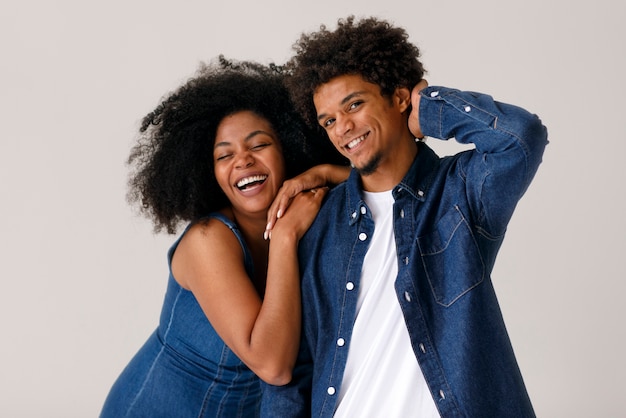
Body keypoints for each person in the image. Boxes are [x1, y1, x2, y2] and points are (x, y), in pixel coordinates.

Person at [261, 16, 548, 417]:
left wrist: (428, 110)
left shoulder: (459, 193)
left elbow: (521, 139)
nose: (342, 128)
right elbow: (298, 366)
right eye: (329, 121)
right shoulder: (318, 224)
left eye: (354, 105)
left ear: (398, 98)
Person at [100, 56, 348, 418]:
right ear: (210, 173)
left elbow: (381, 185)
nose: (243, 160)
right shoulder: (208, 240)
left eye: (259, 145)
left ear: (288, 149)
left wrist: (325, 171)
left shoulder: (307, 211)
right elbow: (273, 365)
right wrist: (283, 238)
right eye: (224, 155)